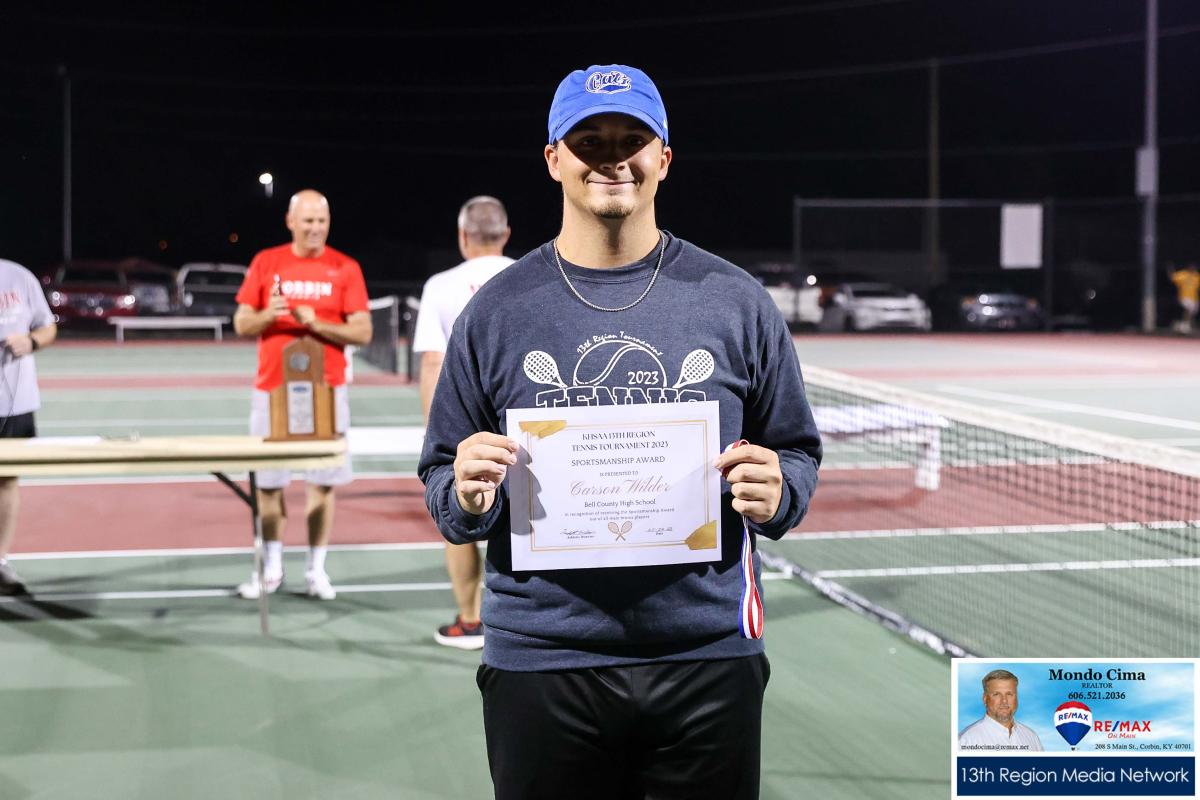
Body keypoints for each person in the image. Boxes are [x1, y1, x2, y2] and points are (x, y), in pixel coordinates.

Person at [418, 65, 821, 799]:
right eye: (589, 141)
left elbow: (796, 449)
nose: (612, 158)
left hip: (707, 654)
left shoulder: (736, 302)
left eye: (632, 139)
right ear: (554, 159)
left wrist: (780, 489)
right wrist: (467, 492)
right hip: (542, 657)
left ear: (663, 157)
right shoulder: (496, 312)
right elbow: (442, 477)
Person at [232, 189, 371, 601]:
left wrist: (316, 324)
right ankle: (271, 569)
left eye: (321, 220)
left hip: (327, 391)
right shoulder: (266, 261)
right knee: (267, 484)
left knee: (322, 483)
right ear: (290, 222)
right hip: (272, 390)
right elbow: (241, 323)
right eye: (308, 220)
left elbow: (363, 331)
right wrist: (269, 315)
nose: (315, 228)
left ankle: (315, 570)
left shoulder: (345, 267)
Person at [413, 196, 514, 650]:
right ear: (505, 235)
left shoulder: (441, 285)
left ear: (463, 236)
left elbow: (433, 363)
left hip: (467, 425)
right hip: (522, 422)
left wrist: (434, 437)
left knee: (460, 515)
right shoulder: (528, 274)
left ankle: (471, 620)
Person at [0, 258, 58, 596]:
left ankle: (0, 561)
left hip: (15, 404)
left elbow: (47, 327)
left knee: (7, 481)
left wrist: (31, 342)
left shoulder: (19, 277)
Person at [958, 669, 1044, 750]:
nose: (1004, 701)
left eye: (1009, 694)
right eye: (996, 694)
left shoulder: (1032, 737)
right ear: (985, 698)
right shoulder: (966, 740)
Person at [1169, 263, 1198, 333]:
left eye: (1194, 267)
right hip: (1184, 297)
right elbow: (1172, 277)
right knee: (1188, 310)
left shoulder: (1196, 276)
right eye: (1191, 267)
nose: (1192, 268)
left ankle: (1184, 325)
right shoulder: (1183, 274)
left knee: (1191, 313)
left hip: (1194, 298)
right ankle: (1185, 326)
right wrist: (1170, 269)